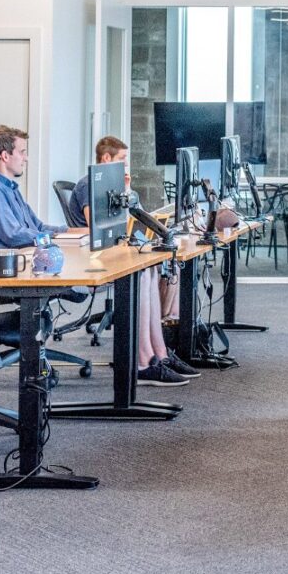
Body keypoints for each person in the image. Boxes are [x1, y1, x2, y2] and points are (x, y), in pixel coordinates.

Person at [71, 135, 197, 386]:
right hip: (95, 259)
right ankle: (142, 360)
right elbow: (97, 225)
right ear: (106, 158)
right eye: (122, 160)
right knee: (142, 273)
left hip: (114, 251)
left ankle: (159, 352)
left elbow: (131, 221)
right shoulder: (89, 185)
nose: (126, 166)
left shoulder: (116, 185)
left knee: (159, 267)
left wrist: (127, 194)